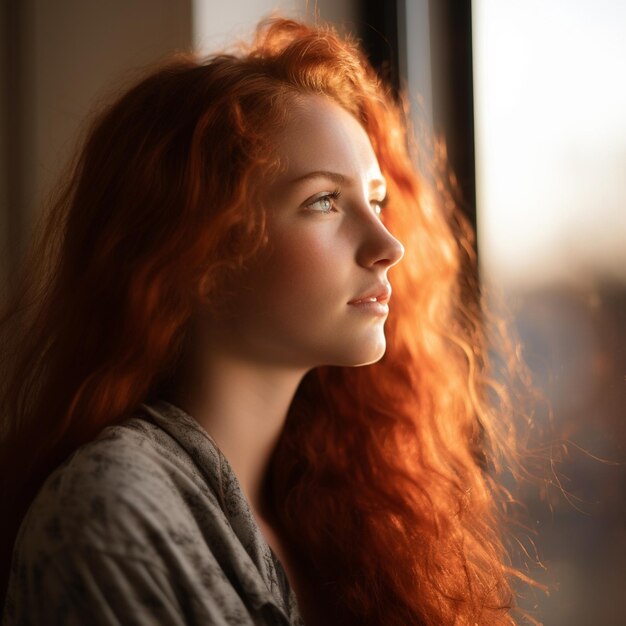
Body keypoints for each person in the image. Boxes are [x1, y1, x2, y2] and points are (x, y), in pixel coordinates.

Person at [0, 16, 537, 626]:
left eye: (377, 198)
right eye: (323, 201)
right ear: (193, 251)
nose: (389, 243)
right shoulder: (111, 512)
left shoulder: (338, 508)